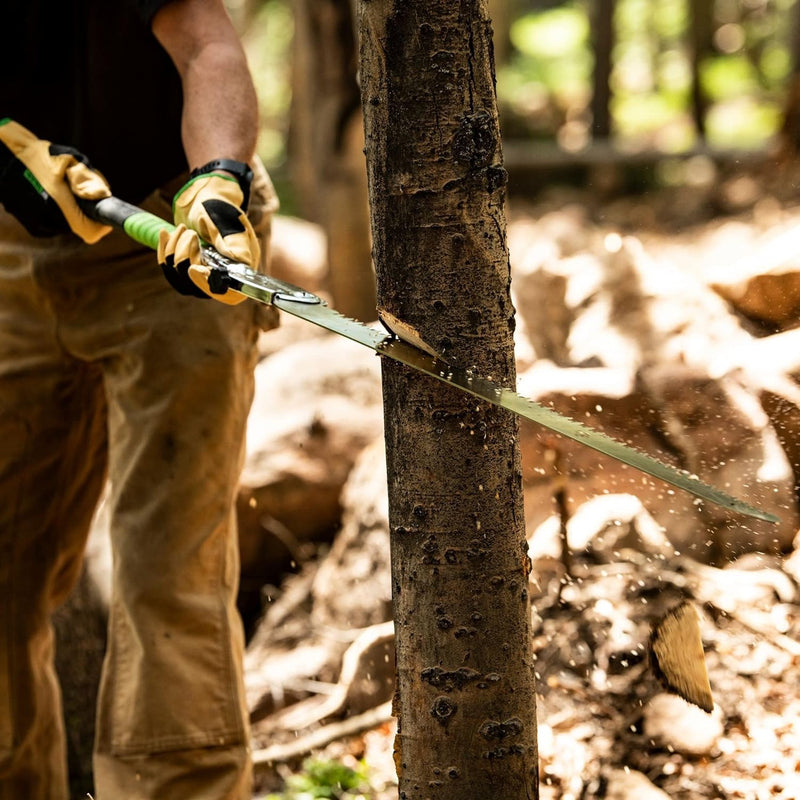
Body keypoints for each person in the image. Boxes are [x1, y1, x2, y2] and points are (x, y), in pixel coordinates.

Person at [0, 0, 279, 797]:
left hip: (169, 230)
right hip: (12, 253)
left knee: (168, 576)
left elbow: (203, 42)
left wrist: (217, 181)